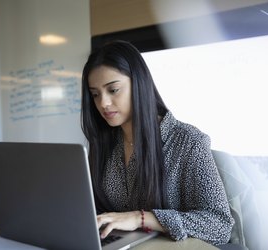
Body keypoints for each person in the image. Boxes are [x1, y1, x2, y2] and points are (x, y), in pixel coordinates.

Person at [80, 40, 234, 246]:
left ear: (139, 84)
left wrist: (141, 218)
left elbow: (219, 226)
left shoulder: (187, 141)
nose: (103, 104)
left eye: (113, 90)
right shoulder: (106, 143)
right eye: (95, 94)